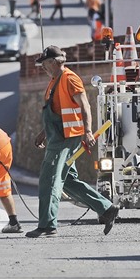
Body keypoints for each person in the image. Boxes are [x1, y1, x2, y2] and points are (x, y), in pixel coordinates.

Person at [26, 45, 119, 238]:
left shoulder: (69, 78)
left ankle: (47, 225)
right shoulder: (54, 81)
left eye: (44, 63)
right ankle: (107, 209)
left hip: (65, 137)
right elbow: (58, 111)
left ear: (54, 62)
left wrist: (88, 131)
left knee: (49, 179)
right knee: (68, 181)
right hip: (57, 135)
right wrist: (44, 132)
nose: (42, 67)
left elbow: (84, 105)